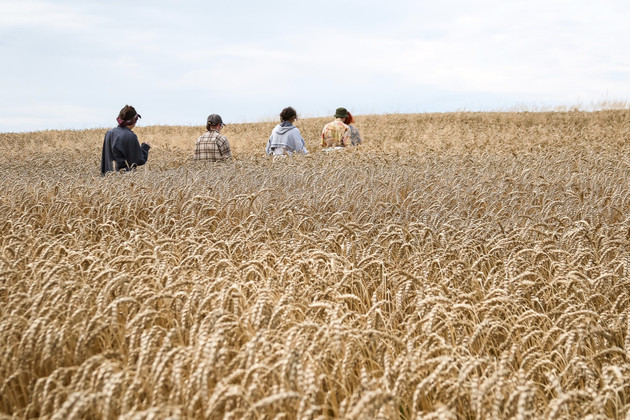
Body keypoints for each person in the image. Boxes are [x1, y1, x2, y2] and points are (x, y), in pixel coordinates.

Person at [101, 105, 150, 175]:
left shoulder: (109, 133)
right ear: (134, 120)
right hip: (125, 178)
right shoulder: (130, 136)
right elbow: (138, 160)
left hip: (109, 177)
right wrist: (145, 148)